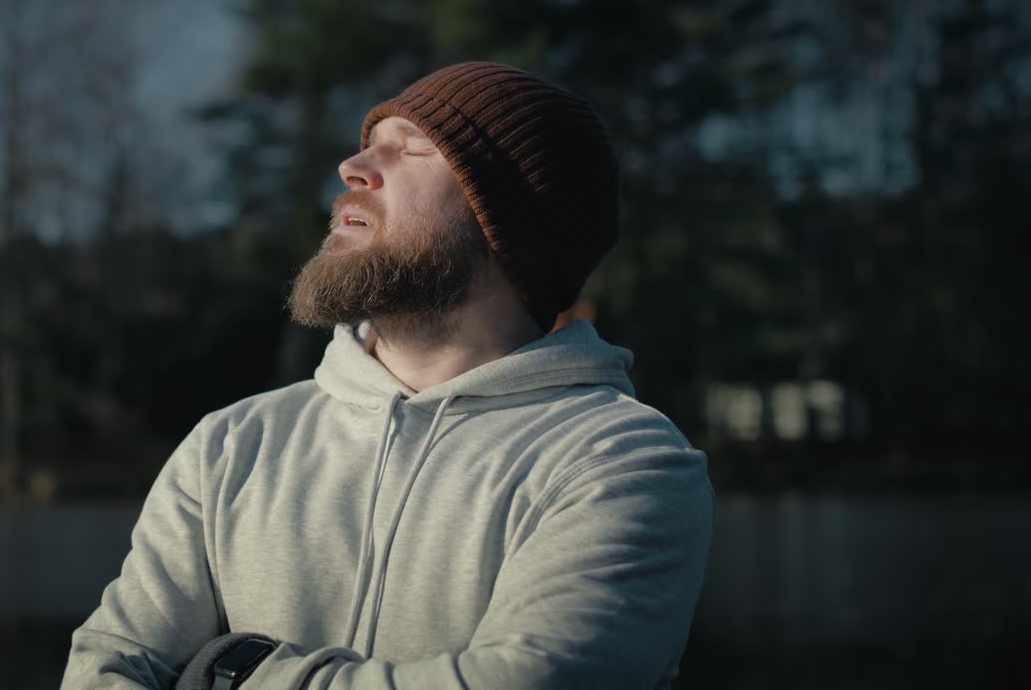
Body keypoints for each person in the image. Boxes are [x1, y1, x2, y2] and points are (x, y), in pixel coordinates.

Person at [60, 62, 715, 690]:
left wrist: (235, 676)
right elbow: (109, 667)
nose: (352, 168)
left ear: (507, 225)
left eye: (410, 149)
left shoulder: (620, 462)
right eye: (368, 144)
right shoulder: (231, 445)